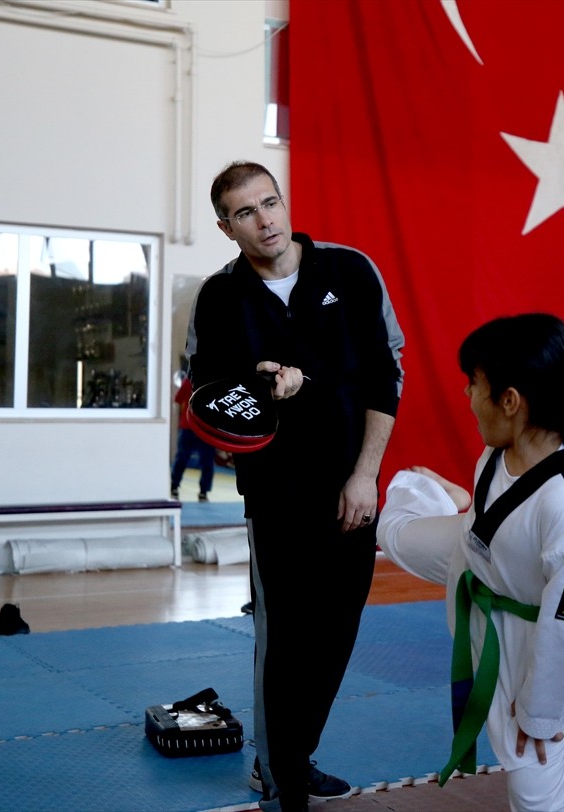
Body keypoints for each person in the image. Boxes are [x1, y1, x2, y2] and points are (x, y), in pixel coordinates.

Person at [376, 313, 564, 812]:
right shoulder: (524, 437)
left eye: (474, 385)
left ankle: (457, 503)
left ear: (510, 401)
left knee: (533, 777)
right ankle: (451, 498)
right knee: (394, 531)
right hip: (479, 553)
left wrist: (542, 712)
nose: (468, 397)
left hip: (528, 624)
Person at [187, 161, 405, 812]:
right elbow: (205, 399)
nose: (265, 221)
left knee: (336, 632)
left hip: (350, 486)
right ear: (227, 227)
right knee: (284, 638)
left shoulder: (350, 271)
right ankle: (279, 776)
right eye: (246, 213)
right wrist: (245, 404)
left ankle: (294, 753)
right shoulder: (218, 297)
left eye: (270, 203)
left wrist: (365, 475)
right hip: (276, 496)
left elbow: (384, 376)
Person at [169, 365, 216, 502]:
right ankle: (174, 486)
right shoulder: (189, 382)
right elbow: (177, 402)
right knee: (182, 458)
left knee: (207, 462)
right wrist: (178, 422)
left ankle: (203, 491)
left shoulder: (213, 385)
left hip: (206, 430)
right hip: (188, 428)